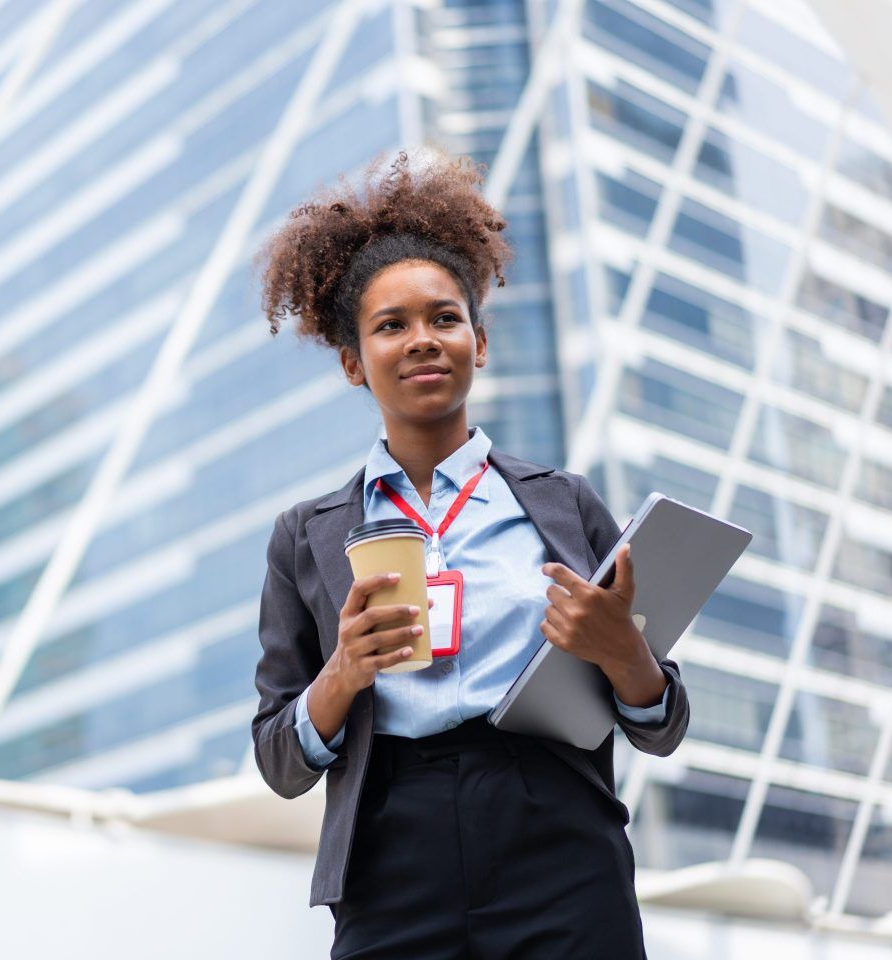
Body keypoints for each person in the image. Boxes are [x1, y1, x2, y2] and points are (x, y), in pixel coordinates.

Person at [249, 150, 689, 960]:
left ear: (478, 343)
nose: (424, 340)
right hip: (391, 849)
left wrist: (627, 654)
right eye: (392, 325)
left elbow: (661, 726)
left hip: (556, 834)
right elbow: (280, 760)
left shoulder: (564, 504)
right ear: (353, 362)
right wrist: (342, 675)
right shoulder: (305, 536)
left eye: (445, 319)